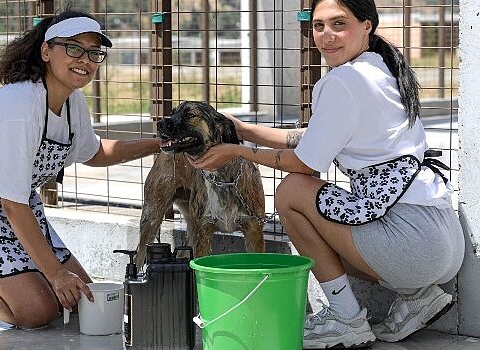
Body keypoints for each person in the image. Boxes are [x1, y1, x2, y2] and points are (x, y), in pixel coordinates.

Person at [188, 0, 464, 348]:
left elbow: (304, 163)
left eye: (339, 24)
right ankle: (418, 297)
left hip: (409, 242)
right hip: (442, 243)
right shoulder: (379, 67)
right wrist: (243, 130)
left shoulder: (344, 81)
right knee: (323, 210)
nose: (326, 36)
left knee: (292, 192)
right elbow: (313, 139)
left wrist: (236, 151)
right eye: (318, 26)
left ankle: (346, 317)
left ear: (367, 25)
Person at [0, 9, 160, 328]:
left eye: (94, 52)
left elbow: (95, 151)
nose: (84, 59)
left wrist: (158, 144)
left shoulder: (72, 103)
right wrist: (55, 274)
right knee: (37, 312)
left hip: (13, 207)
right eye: (73, 48)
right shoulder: (19, 107)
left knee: (82, 298)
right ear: (46, 51)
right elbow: (13, 204)